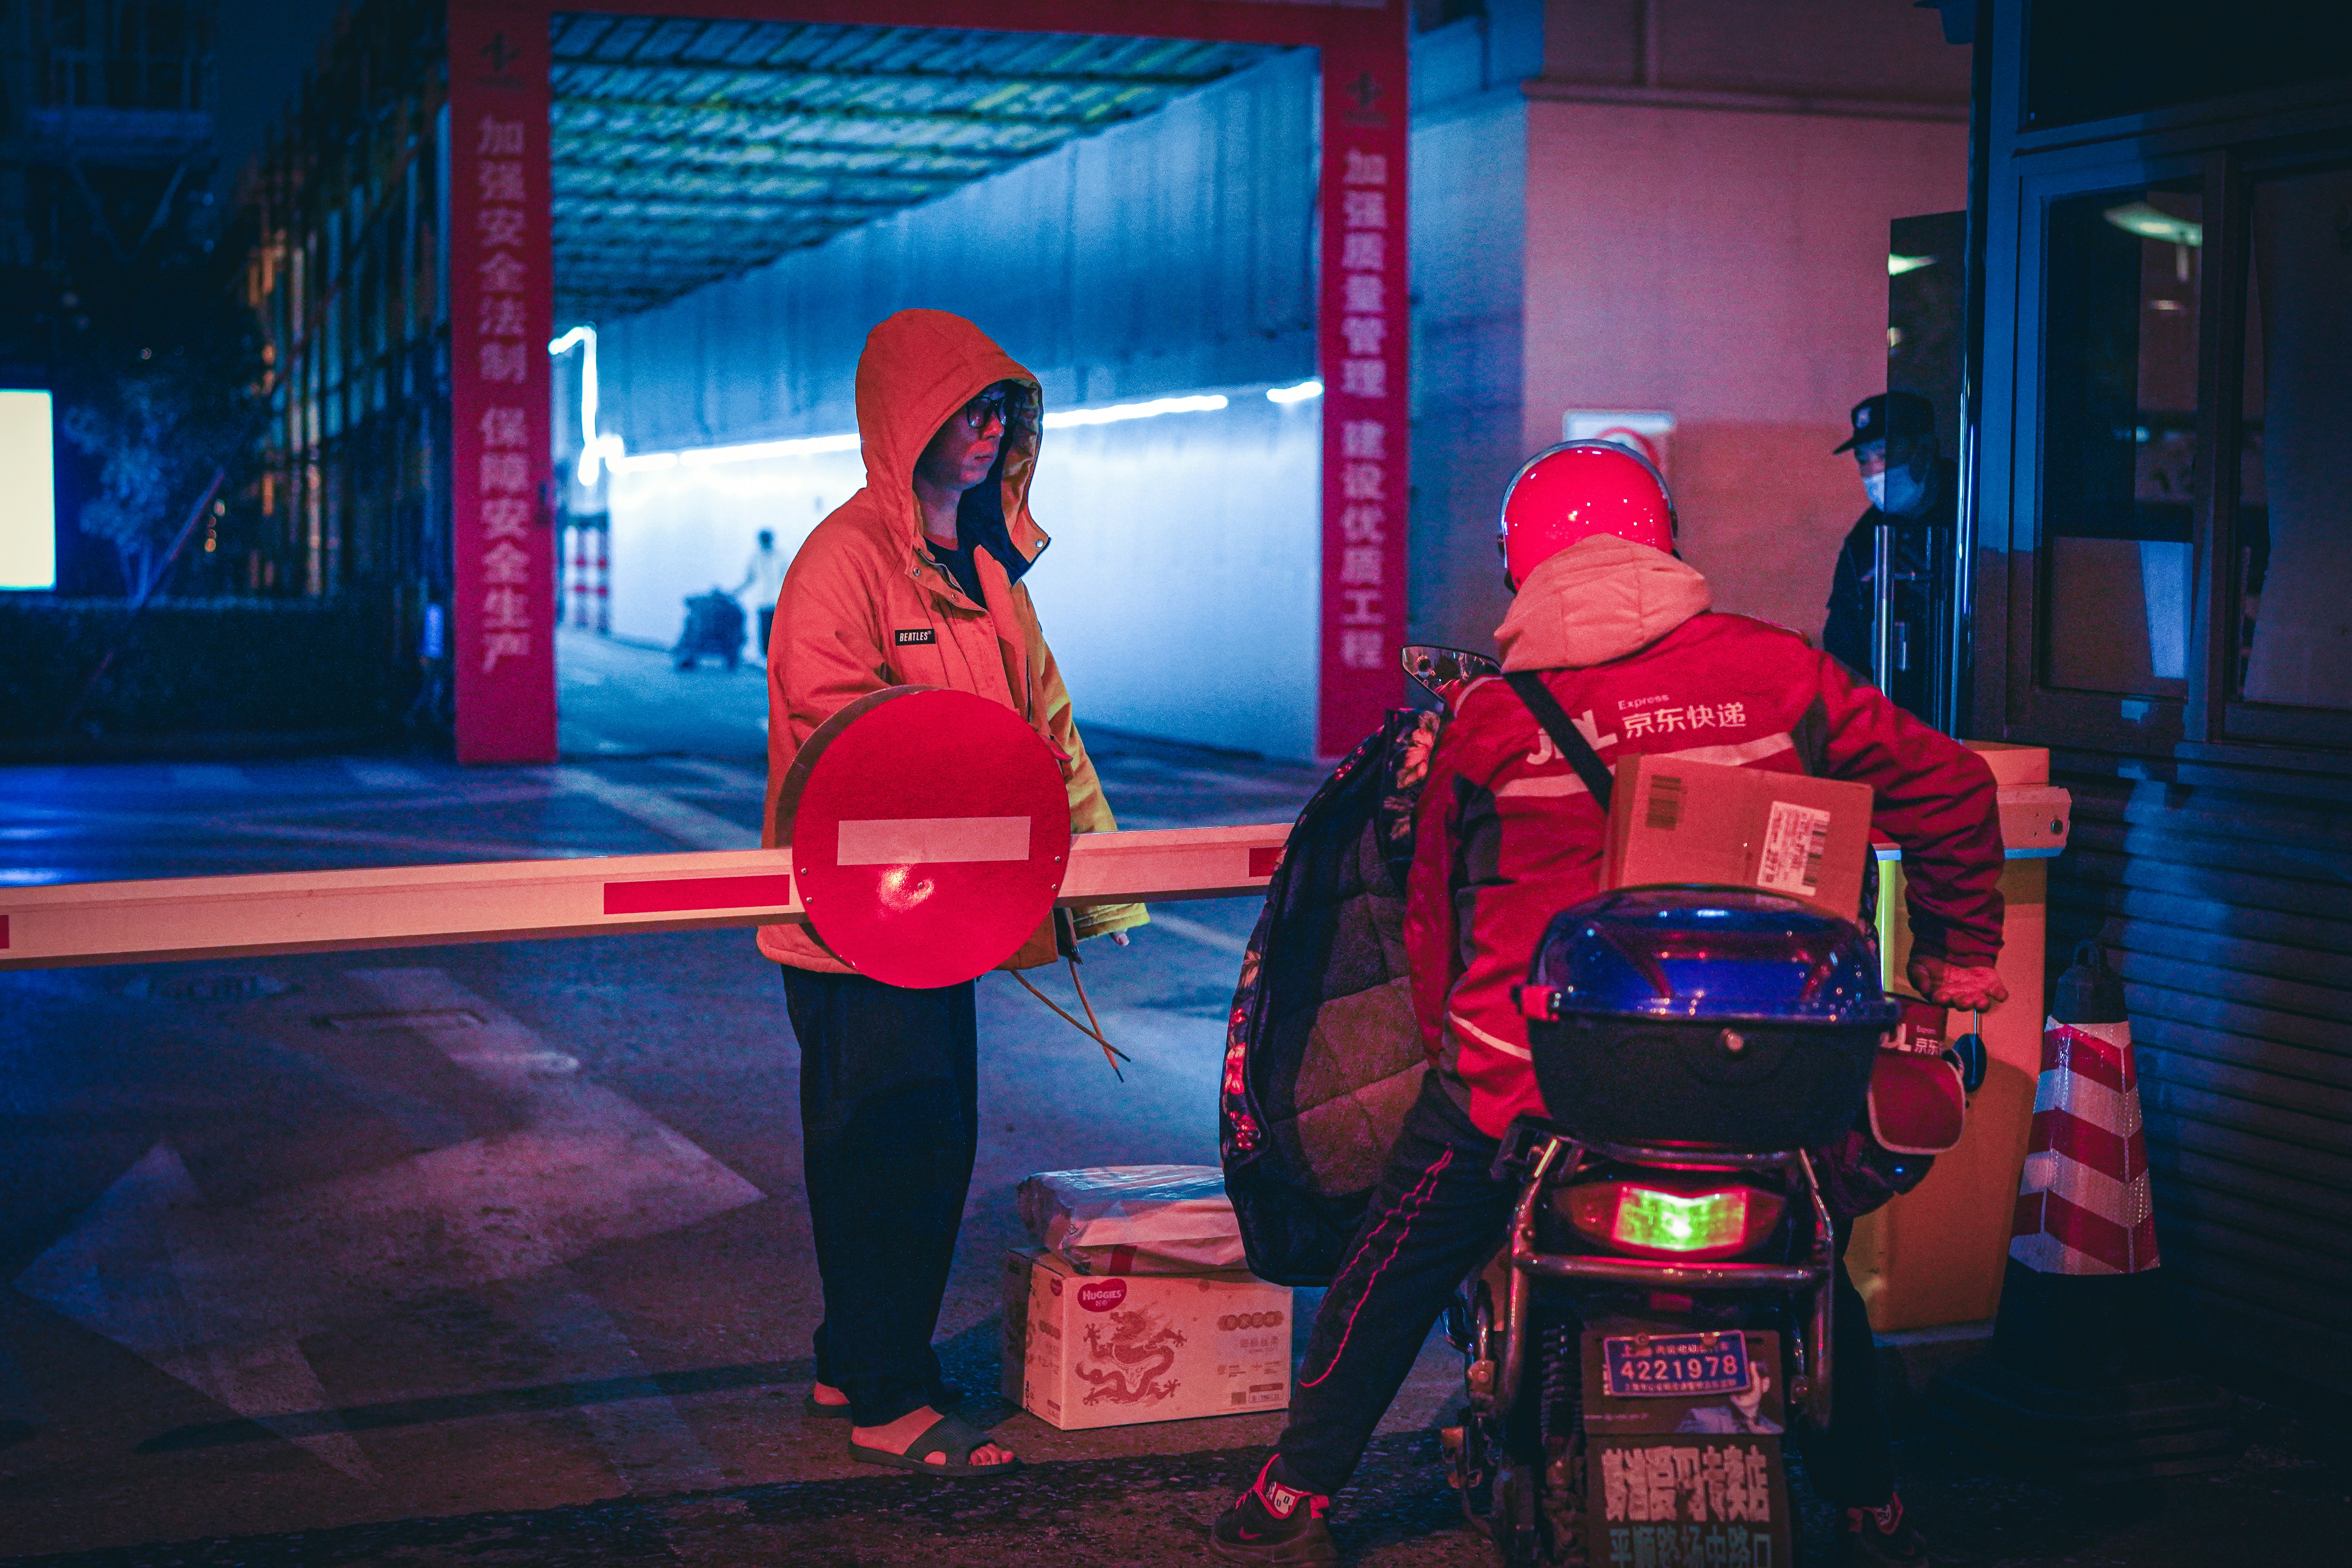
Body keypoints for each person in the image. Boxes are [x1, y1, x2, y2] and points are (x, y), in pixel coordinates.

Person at [1212, 441, 2008, 1567]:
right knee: (1806, 1250)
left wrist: (1458, 1049)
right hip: (1758, 1072)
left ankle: (1295, 1488)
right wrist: (1956, 959)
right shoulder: (1779, 673)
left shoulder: (1491, 719)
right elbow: (1952, 788)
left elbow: (1434, 917)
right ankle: (1870, 1501)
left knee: (1391, 1262)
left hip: (1534, 1079)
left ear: (1520, 568)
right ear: (1665, 544)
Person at [761, 308, 1144, 1476]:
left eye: (999, 412)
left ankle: (856, 1358)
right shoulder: (842, 561)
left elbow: (1046, 723)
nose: (985, 431)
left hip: (944, 916)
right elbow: (839, 721)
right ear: (904, 420)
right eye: (964, 410)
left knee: (924, 1141)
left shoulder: (983, 566)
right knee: (885, 1149)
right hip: (857, 925)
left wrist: (1093, 884)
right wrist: (975, 772)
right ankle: (886, 1396)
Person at [1824, 391, 1959, 720]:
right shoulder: (1866, 537)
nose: (1874, 471)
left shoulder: (1972, 512)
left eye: (1884, 455)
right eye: (1863, 460)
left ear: (1925, 447)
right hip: (1894, 711)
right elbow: (1842, 639)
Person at [735, 528, 788, 661]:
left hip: (778, 600)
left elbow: (788, 576)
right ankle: (766, 659)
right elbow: (750, 579)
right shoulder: (755, 558)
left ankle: (779, 658)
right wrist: (737, 592)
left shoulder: (781, 556)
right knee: (765, 631)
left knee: (778, 630)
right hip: (763, 600)